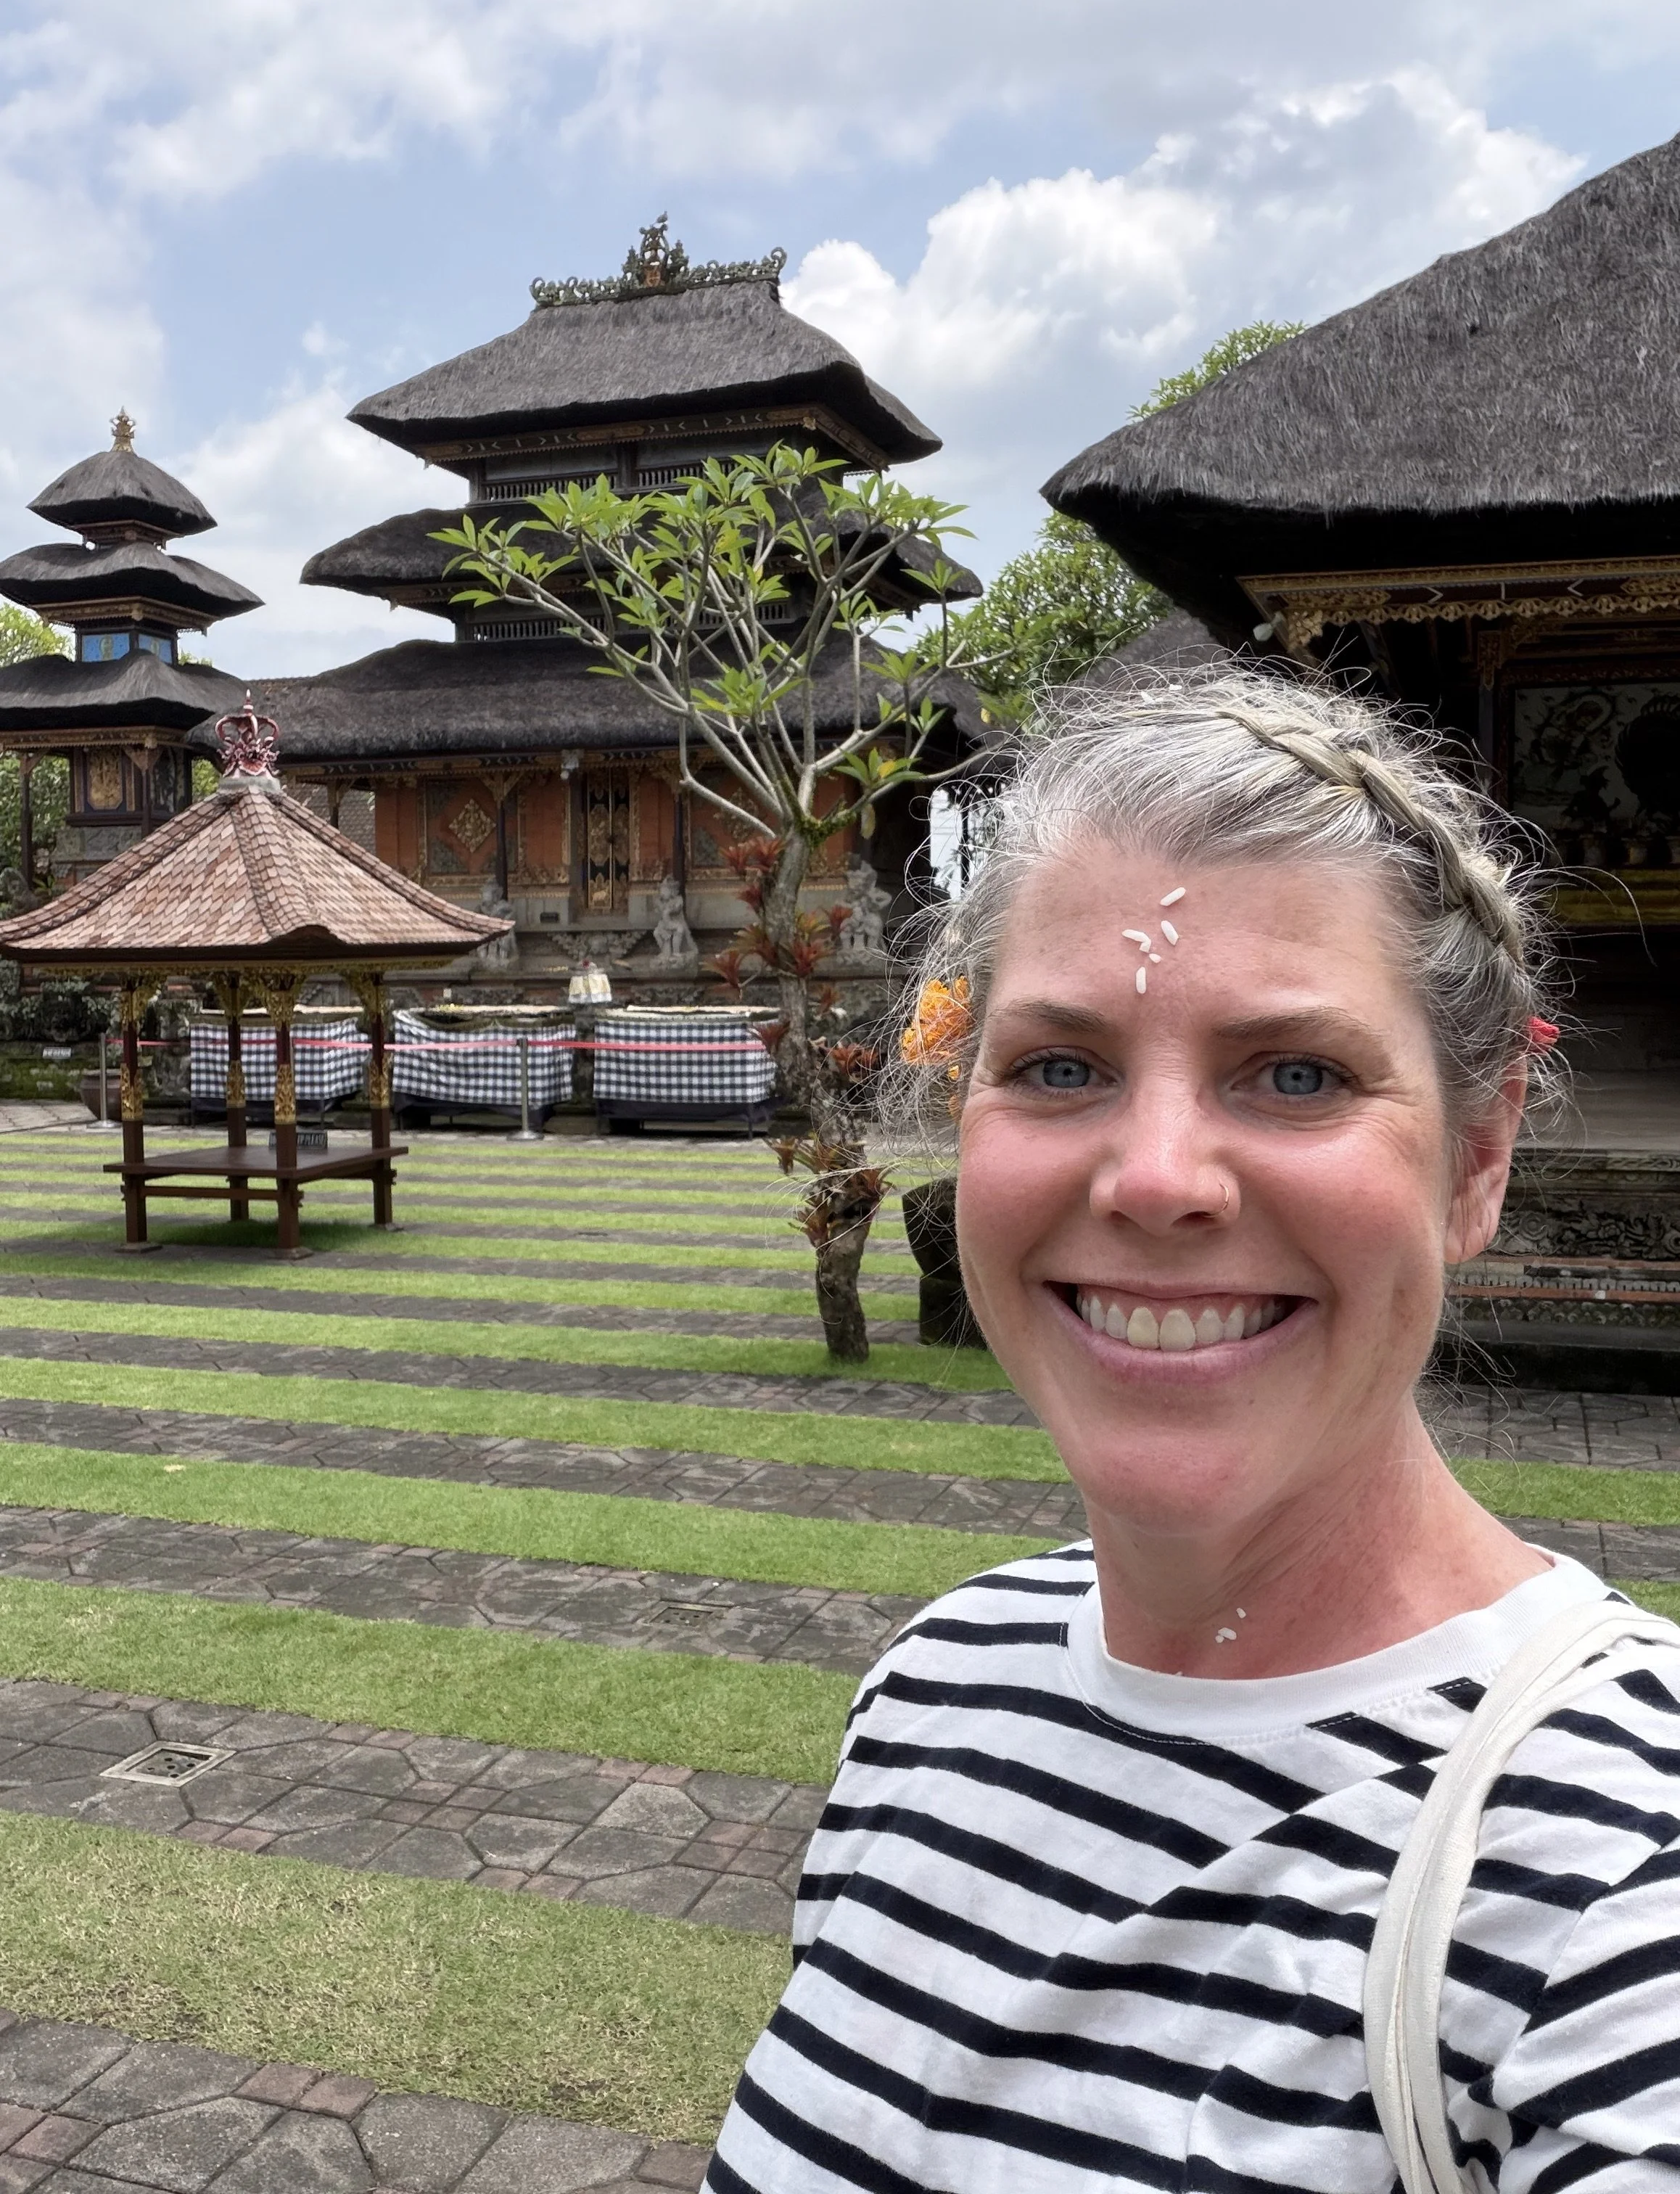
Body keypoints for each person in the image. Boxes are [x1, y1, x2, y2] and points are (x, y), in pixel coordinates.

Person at [704, 666, 1680, 2193]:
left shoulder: (1621, 1870)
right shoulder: (935, 1689)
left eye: (1296, 1072)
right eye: (1059, 1066)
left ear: (1477, 1161)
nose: (1157, 1177)